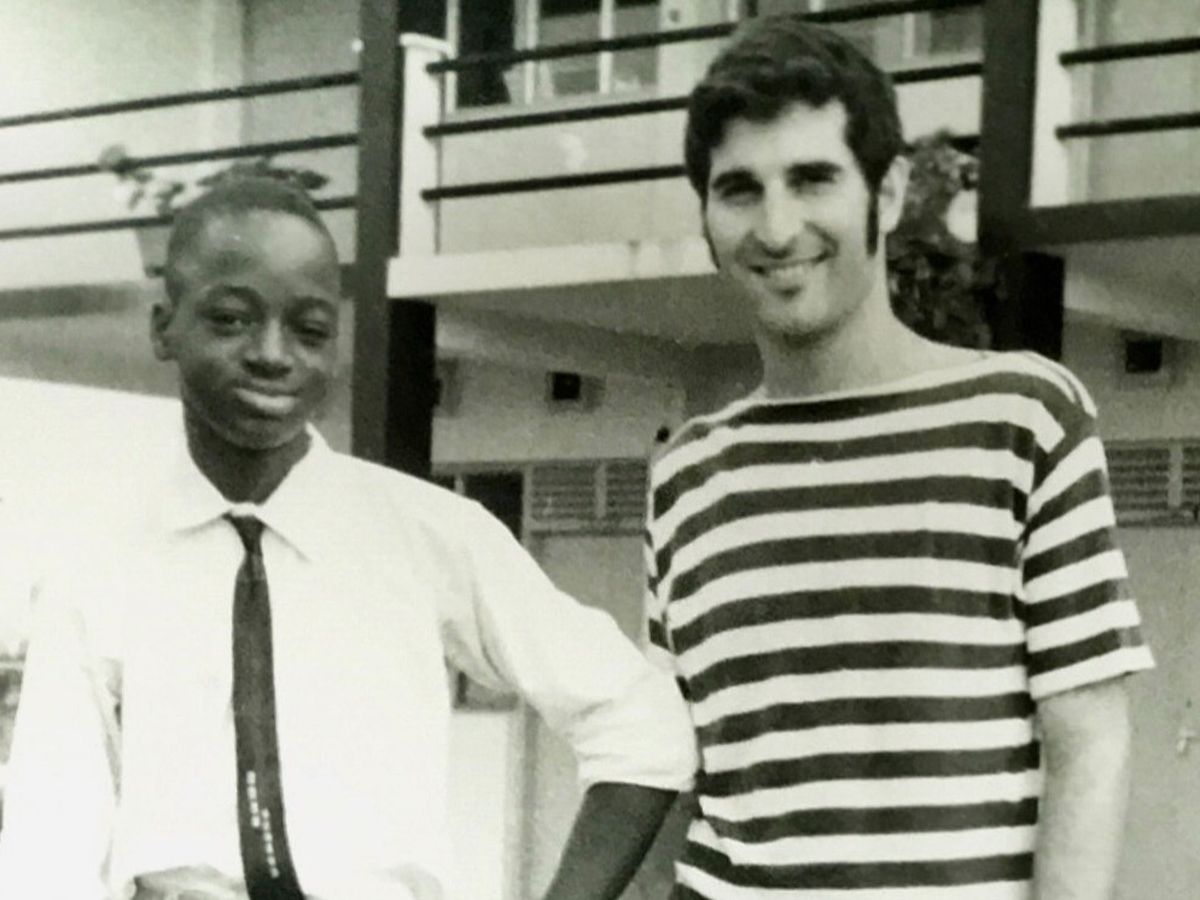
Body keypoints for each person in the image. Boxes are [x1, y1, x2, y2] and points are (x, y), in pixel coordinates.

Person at [0, 177, 697, 900]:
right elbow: (49, 840)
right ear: (163, 327)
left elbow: (640, 719)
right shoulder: (101, 563)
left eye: (310, 330)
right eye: (231, 319)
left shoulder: (427, 535)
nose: (273, 354)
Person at [643, 14, 1154, 900]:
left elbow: (1090, 744)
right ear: (707, 217)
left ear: (886, 193)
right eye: (739, 189)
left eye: (813, 179)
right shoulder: (688, 474)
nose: (777, 227)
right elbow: (674, 770)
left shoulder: (1022, 419)